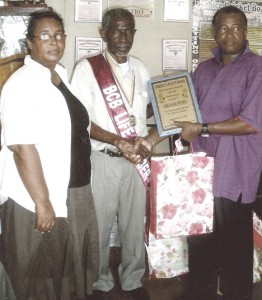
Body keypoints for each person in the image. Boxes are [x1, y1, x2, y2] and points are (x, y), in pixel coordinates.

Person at [0, 10, 99, 300]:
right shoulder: (22, 83)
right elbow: (22, 146)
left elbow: (82, 125)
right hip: (35, 197)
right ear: (29, 43)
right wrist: (42, 201)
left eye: (58, 35)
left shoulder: (60, 78)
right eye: (44, 35)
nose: (53, 41)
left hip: (71, 189)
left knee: (64, 271)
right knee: (37, 274)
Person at [171, 6, 262, 300]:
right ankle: (202, 291)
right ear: (215, 32)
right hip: (201, 170)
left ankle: (237, 294)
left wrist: (201, 128)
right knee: (201, 239)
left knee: (235, 242)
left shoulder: (257, 68)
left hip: (236, 169)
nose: (230, 33)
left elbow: (249, 123)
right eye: (223, 28)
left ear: (245, 31)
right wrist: (152, 133)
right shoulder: (203, 69)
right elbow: (182, 111)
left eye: (236, 27)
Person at [71, 8, 154, 300]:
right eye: (116, 30)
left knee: (134, 224)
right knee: (101, 225)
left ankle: (133, 279)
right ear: (103, 33)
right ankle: (99, 281)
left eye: (128, 30)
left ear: (134, 33)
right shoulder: (87, 68)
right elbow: (82, 120)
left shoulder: (141, 68)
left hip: (135, 161)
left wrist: (149, 137)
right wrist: (119, 140)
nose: (123, 37)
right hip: (104, 159)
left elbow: (144, 114)